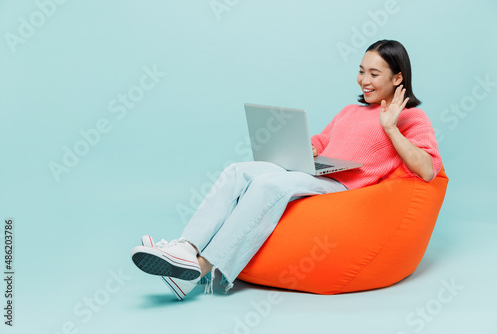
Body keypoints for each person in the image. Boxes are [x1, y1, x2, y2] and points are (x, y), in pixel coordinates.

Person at [130, 40, 443, 300]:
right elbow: (324, 138)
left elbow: (427, 170)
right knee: (237, 172)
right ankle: (186, 248)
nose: (364, 80)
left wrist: (391, 128)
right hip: (314, 172)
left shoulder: (411, 118)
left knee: (269, 187)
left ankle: (199, 268)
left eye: (374, 73)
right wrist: (311, 147)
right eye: (361, 72)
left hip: (343, 188)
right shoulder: (351, 111)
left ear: (397, 78)